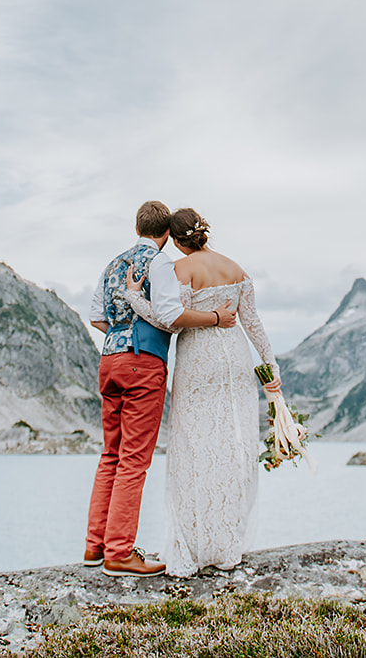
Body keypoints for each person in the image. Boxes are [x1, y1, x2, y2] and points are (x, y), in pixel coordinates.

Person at [126, 206, 280, 577]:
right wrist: (271, 368)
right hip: (237, 361)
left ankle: (192, 548)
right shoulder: (236, 268)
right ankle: (227, 546)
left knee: (194, 449)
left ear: (177, 240)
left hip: (198, 360)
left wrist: (134, 298)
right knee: (231, 447)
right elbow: (253, 323)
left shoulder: (180, 269)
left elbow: (171, 319)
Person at [84, 201, 235, 577]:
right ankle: (120, 553)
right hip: (142, 363)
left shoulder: (112, 264)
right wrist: (216, 318)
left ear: (137, 227)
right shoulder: (159, 264)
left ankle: (96, 547)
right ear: (166, 234)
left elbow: (96, 317)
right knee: (134, 460)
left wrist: (122, 334)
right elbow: (170, 315)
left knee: (110, 455)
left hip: (109, 361)